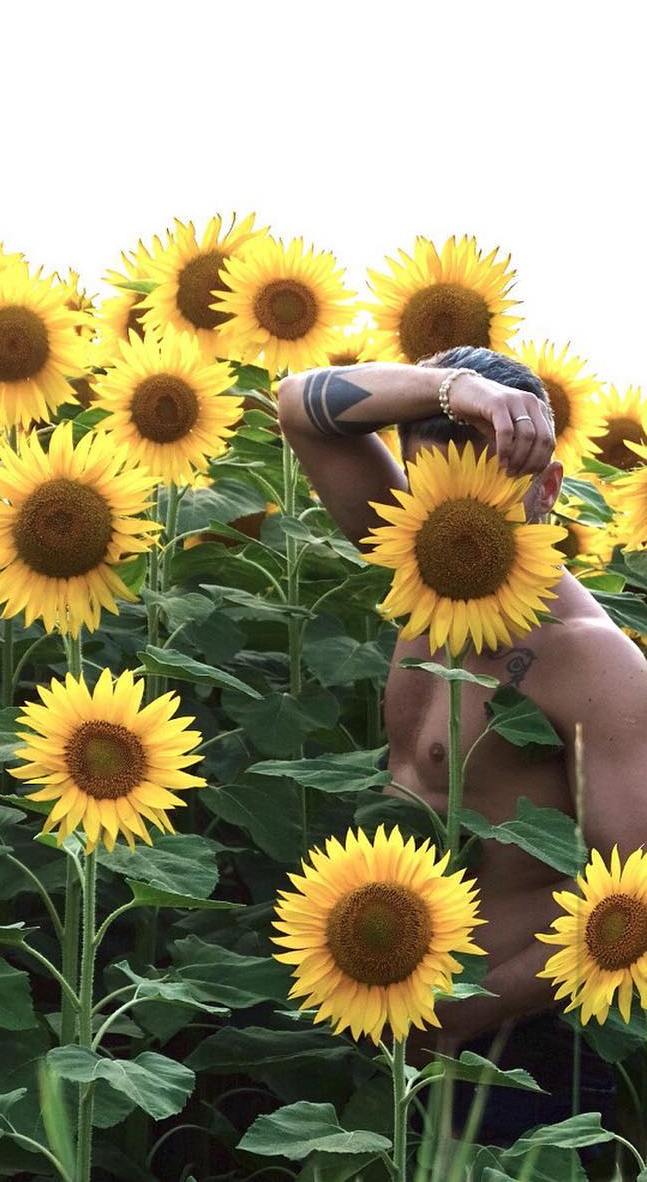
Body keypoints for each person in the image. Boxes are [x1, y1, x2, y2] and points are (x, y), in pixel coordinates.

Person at [277, 345, 647, 1147]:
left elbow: (638, 901)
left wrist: (464, 1014)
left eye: (486, 496)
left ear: (546, 488)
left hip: (513, 1049)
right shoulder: (422, 562)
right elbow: (299, 403)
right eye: (434, 492)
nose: (456, 524)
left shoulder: (590, 660)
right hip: (384, 1017)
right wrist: (456, 389)